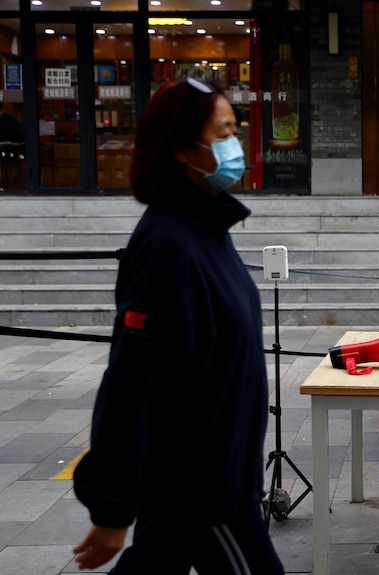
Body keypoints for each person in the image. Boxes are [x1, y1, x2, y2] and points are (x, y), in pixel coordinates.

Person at [72, 77, 284, 574]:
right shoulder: (168, 246)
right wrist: (111, 506)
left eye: (237, 128)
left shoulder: (206, 230)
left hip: (208, 478)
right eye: (224, 131)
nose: (236, 143)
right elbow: (131, 379)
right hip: (209, 491)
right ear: (186, 150)